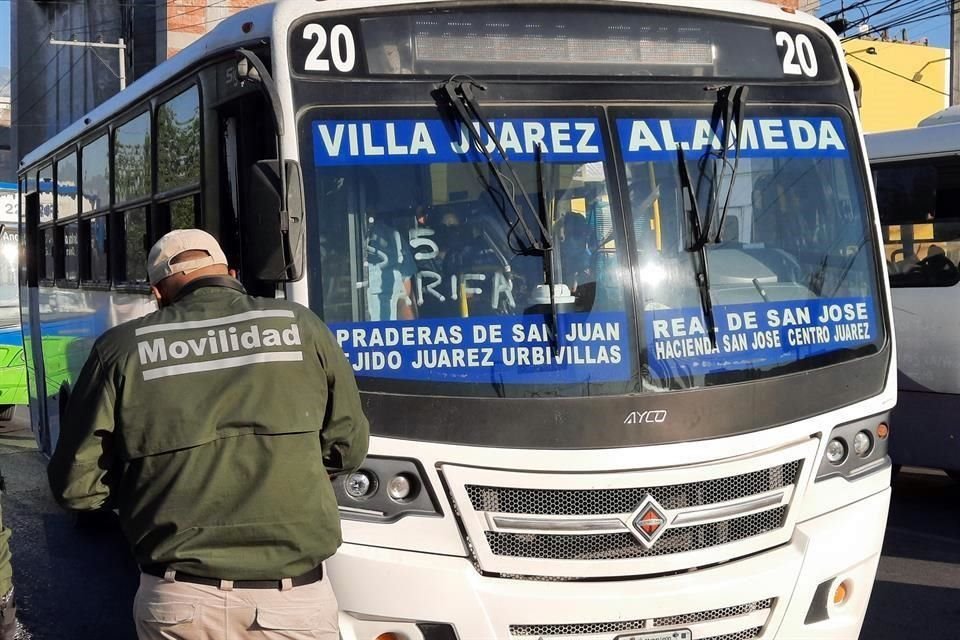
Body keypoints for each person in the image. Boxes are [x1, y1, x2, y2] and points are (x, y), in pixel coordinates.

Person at [47, 229, 369, 639]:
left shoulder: (121, 349)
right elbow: (348, 447)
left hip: (179, 600)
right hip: (294, 601)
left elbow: (75, 486)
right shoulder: (301, 326)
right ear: (231, 273)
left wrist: (153, 494)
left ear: (157, 293)